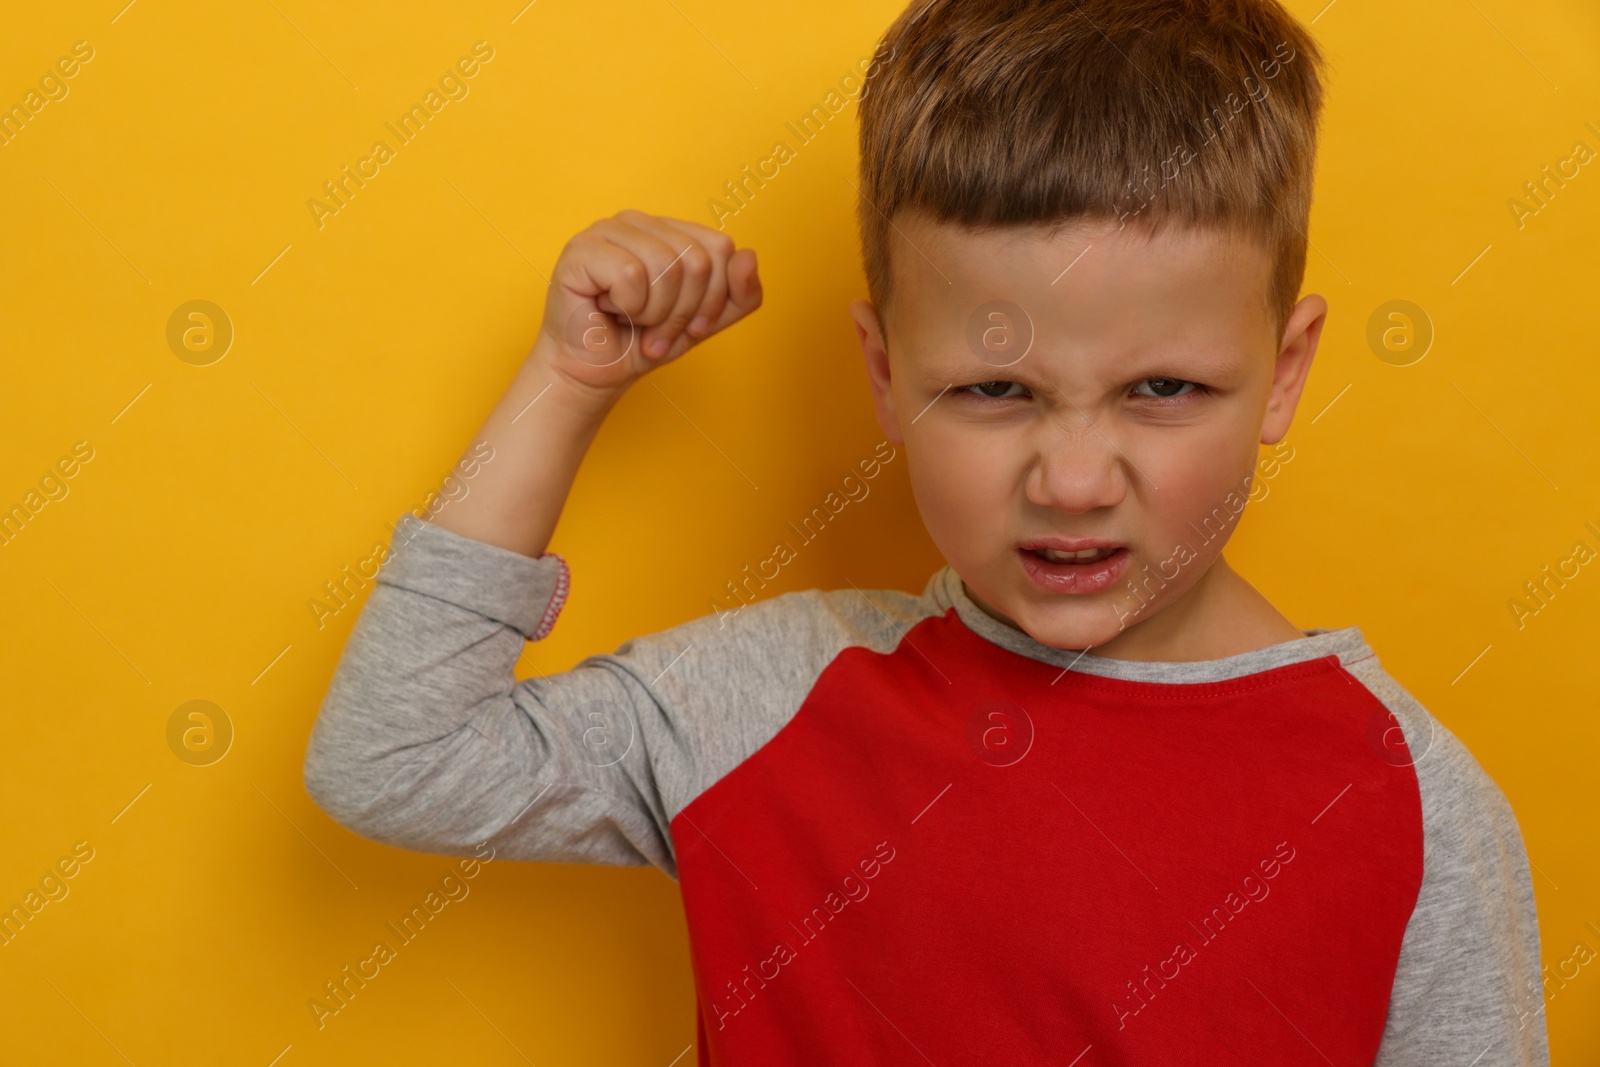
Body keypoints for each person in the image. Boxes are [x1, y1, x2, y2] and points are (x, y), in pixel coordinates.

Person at [302, 0, 1549, 1062]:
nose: (1070, 478)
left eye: (1162, 389)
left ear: (1282, 374)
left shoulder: (1410, 805)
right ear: (884, 372)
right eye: (995, 390)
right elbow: (392, 759)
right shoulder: (773, 699)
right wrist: (565, 388)